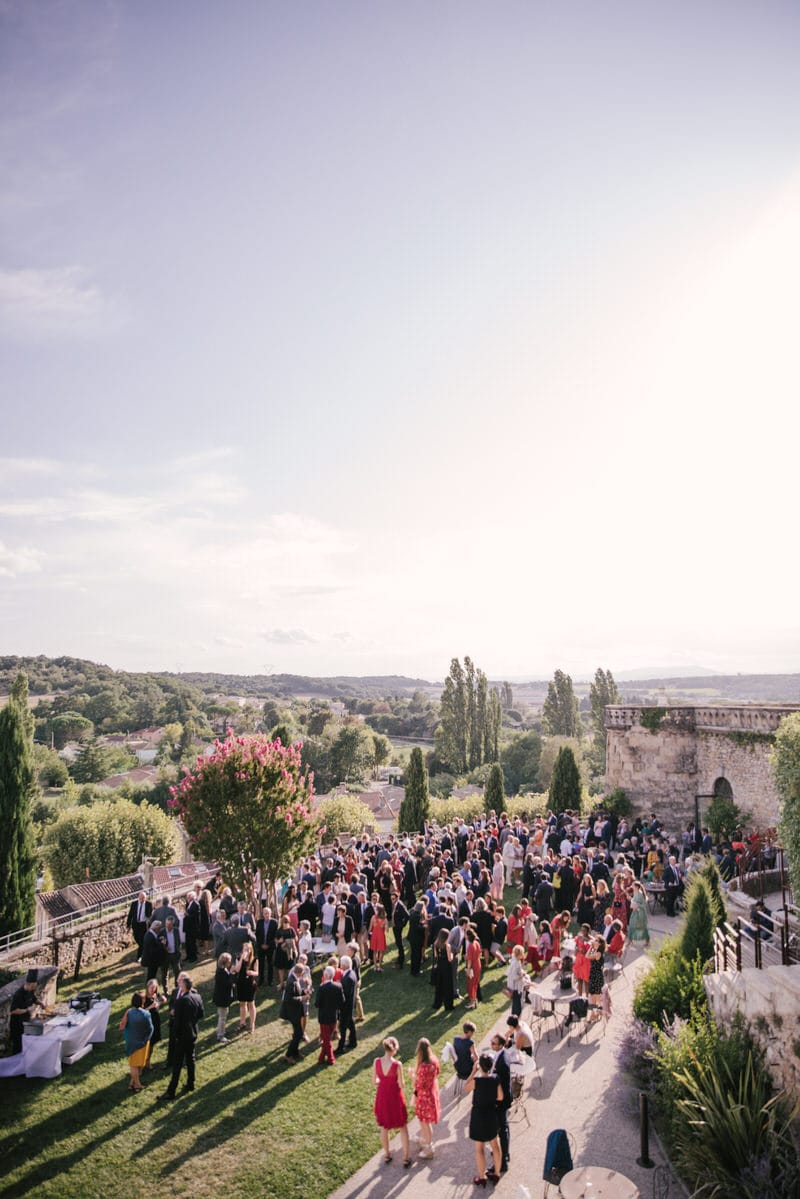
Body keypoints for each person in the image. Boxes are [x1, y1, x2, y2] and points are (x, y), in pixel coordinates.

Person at [159, 975, 204, 1100]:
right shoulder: (197, 997)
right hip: (193, 1033)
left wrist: (175, 1035)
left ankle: (171, 1091)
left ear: (184, 986)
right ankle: (191, 1083)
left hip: (182, 1035)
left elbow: (177, 1021)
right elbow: (201, 1014)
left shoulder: (181, 1001)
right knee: (191, 1059)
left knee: (177, 1064)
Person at [464, 1052, 502, 1185]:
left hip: (478, 1116)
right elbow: (500, 1097)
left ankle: (482, 1177)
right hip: (491, 1114)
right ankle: (497, 1173)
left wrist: (473, 1071)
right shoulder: (495, 1079)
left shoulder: (477, 1081)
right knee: (495, 1145)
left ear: (480, 1066)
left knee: (479, 1148)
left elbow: (466, 1088)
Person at [373, 1036, 411, 1167]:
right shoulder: (397, 1064)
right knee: (403, 1126)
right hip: (395, 1097)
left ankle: (387, 1154)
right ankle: (406, 1157)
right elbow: (401, 1084)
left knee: (384, 1127)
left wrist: (382, 1081)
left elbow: (374, 1082)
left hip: (382, 1096)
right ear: (394, 1049)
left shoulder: (376, 1061)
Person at [410, 1037, 441, 1159]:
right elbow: (437, 1072)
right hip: (431, 1094)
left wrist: (412, 1075)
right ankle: (425, 1140)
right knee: (426, 1122)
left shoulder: (423, 1067)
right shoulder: (434, 1060)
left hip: (424, 1097)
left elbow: (418, 1085)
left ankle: (429, 1148)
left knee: (424, 1122)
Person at [119, 991, 153, 1093]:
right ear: (143, 1001)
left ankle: (132, 1083)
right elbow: (150, 1028)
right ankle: (137, 1085)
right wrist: (146, 1039)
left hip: (131, 1042)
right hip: (142, 1042)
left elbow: (121, 1027)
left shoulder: (129, 1012)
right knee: (138, 1064)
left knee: (134, 1063)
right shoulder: (146, 1014)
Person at [490, 1032, 513, 1174]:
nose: (491, 1045)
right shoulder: (501, 1055)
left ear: (500, 1045)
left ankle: (503, 1160)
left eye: (493, 1043)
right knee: (504, 1127)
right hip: (502, 1098)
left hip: (501, 1100)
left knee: (501, 1129)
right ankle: (505, 1153)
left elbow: (501, 1085)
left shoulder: (502, 1062)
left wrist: (497, 1102)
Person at [315, 964, 344, 1065]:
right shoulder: (338, 986)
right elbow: (342, 1001)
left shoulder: (322, 988)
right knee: (327, 1038)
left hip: (323, 1017)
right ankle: (321, 1058)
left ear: (326, 975)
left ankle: (331, 1058)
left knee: (326, 1039)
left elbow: (317, 1004)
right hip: (333, 1016)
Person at [8, 970, 41, 1055]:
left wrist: (40, 1003)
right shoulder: (18, 995)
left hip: (26, 1022)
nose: (33, 989)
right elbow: (13, 1011)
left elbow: (33, 998)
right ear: (28, 984)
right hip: (17, 1024)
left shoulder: (30, 990)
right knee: (18, 1046)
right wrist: (27, 1010)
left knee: (25, 1044)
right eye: (33, 987)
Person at [280, 962, 306, 1064]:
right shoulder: (292, 982)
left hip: (295, 1011)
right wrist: (302, 998)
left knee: (297, 1032)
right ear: (301, 972)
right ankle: (288, 1055)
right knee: (298, 1034)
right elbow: (289, 999)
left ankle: (295, 1052)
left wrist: (304, 992)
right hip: (292, 1012)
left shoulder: (294, 978)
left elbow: (297, 992)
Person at [213, 951, 237, 1044]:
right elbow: (227, 984)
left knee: (222, 1015)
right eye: (229, 961)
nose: (230, 962)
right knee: (222, 1017)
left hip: (222, 997)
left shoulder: (222, 970)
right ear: (226, 961)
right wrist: (231, 974)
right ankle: (221, 1035)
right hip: (222, 998)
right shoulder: (221, 972)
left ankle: (220, 1030)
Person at [336, 953, 358, 1053]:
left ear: (345, 965)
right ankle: (353, 1041)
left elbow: (345, 994)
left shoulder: (348, 978)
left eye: (341, 964)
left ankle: (340, 1047)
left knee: (343, 1027)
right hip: (350, 1005)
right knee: (351, 1023)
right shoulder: (351, 973)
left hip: (346, 1006)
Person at [236, 941, 259, 1034]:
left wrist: (252, 973)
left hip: (250, 984)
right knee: (242, 1004)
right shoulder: (238, 958)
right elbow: (237, 969)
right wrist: (241, 958)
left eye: (248, 949)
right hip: (241, 983)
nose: (247, 951)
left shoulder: (254, 959)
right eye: (245, 949)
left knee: (251, 1004)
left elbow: (257, 972)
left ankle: (252, 1025)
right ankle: (242, 1022)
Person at [142, 977, 165, 1070]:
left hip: (155, 1021)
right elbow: (140, 1011)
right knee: (146, 1044)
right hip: (146, 1023)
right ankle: (142, 1063)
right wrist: (151, 1006)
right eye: (151, 988)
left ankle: (148, 1062)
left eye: (154, 988)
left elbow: (164, 999)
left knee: (152, 1044)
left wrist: (160, 1001)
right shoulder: (143, 998)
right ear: (147, 987)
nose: (153, 990)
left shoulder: (155, 995)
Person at [431, 928, 454, 1012]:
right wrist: (452, 954)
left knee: (439, 985)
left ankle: (437, 1003)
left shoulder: (435, 944)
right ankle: (448, 1005)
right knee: (447, 986)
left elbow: (436, 955)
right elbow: (449, 959)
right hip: (447, 967)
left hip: (440, 966)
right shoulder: (447, 946)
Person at [274, 914, 299, 989]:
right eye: (284, 922)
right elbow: (275, 940)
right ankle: (281, 983)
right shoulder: (279, 930)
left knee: (290, 968)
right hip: (281, 952)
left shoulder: (291, 930)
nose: (286, 923)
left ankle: (289, 984)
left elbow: (296, 939)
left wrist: (288, 941)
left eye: (287, 922)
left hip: (290, 951)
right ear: (282, 922)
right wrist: (279, 941)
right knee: (281, 968)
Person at [126, 891, 152, 960]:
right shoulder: (134, 904)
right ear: (139, 897)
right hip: (136, 924)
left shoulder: (148, 904)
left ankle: (139, 956)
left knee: (142, 940)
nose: (142, 900)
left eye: (143, 898)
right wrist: (128, 925)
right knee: (137, 938)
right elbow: (130, 915)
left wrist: (149, 925)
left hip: (143, 925)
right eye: (141, 898)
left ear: (145, 898)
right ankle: (144, 951)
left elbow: (150, 915)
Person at [505, 944, 529, 1017]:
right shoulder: (515, 962)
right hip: (515, 986)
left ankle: (513, 1016)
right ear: (520, 954)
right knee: (517, 1003)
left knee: (515, 1002)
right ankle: (516, 1018)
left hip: (514, 985)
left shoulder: (515, 960)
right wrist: (521, 975)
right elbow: (514, 976)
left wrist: (521, 971)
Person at [587, 934, 606, 1020]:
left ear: (600, 944)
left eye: (596, 940)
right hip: (594, 975)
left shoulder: (598, 953)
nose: (594, 941)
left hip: (597, 976)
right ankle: (598, 1012)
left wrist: (591, 947)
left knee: (596, 997)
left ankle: (594, 1015)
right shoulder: (596, 951)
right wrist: (593, 947)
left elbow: (587, 956)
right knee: (594, 996)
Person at [627, 881, 650, 946]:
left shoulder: (639, 894)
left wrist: (632, 903)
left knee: (642, 927)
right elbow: (635, 902)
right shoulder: (636, 892)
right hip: (636, 912)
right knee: (632, 926)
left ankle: (647, 940)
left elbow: (638, 904)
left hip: (639, 913)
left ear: (636, 887)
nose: (631, 886)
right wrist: (631, 899)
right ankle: (630, 940)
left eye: (633, 885)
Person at [465, 925, 482, 1009]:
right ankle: (475, 999)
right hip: (478, 964)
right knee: (475, 983)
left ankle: (472, 1001)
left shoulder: (470, 946)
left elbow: (469, 960)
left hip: (473, 967)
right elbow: (479, 953)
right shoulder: (476, 942)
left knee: (471, 984)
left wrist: (468, 969)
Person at [369, 903, 388, 971]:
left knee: (374, 951)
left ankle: (375, 966)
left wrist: (370, 932)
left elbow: (370, 928)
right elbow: (387, 930)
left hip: (374, 935)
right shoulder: (385, 919)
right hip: (381, 936)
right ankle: (380, 966)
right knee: (381, 951)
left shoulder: (373, 917)